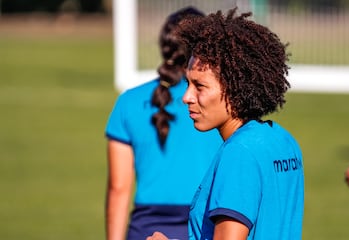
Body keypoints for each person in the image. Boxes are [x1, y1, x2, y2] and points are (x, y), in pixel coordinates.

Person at [147, 8, 304, 240]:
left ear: (234, 88)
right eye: (189, 84)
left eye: (199, 86)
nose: (186, 96)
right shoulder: (284, 141)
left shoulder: (240, 153)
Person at [105, 6, 222, 240]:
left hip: (145, 229)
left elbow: (119, 189)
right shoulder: (219, 102)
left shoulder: (129, 102)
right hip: (205, 227)